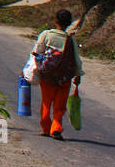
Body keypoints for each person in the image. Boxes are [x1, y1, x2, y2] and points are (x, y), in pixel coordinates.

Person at [32, 8, 83, 140]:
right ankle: (56, 128)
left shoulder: (46, 35)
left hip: (47, 76)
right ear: (70, 23)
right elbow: (76, 60)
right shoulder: (70, 40)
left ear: (56, 21)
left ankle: (45, 127)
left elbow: (37, 52)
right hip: (64, 78)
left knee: (46, 102)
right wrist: (78, 75)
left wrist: (32, 70)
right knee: (60, 105)